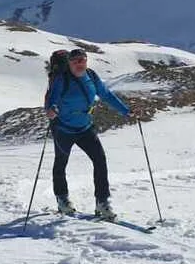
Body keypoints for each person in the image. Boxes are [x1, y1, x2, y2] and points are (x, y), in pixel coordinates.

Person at [43, 48, 131, 220]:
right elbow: (52, 99)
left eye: (82, 60)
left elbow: (106, 94)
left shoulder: (91, 76)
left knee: (100, 160)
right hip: (63, 128)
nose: (80, 64)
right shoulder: (61, 79)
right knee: (61, 163)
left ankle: (102, 202)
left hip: (85, 127)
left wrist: (126, 111)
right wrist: (51, 110)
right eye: (76, 61)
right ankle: (62, 199)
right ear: (69, 63)